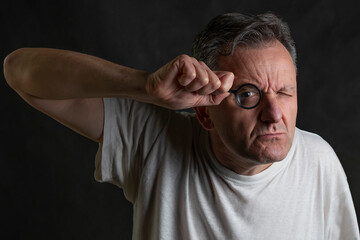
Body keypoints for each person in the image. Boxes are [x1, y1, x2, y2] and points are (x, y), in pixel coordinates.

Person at [3, 12, 359, 239]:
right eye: (248, 94)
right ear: (205, 114)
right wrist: (145, 87)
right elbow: (19, 70)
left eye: (284, 92)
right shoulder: (154, 138)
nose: (273, 113)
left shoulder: (318, 160)